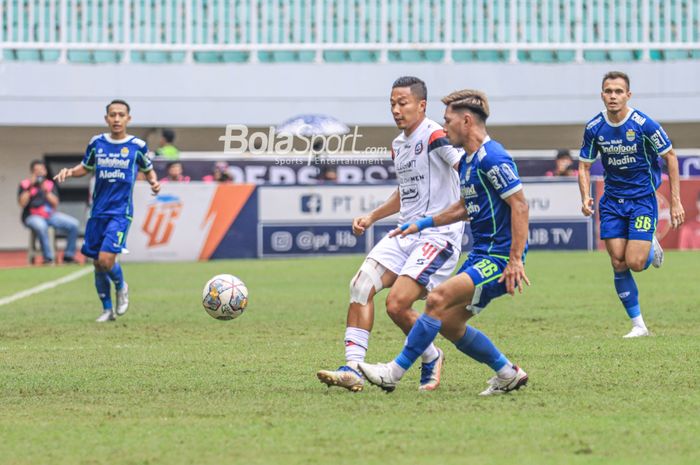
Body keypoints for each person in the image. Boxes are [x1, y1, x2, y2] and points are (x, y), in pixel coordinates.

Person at [358, 89, 530, 396]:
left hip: (500, 258)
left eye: (448, 121)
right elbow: (463, 207)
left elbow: (520, 205)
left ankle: (393, 373)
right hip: (481, 254)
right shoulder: (468, 162)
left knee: (436, 300)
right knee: (449, 323)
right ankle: (507, 373)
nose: (444, 127)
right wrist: (420, 224)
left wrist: (515, 259)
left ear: (466, 121)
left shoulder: (494, 158)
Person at [316, 76, 463, 392]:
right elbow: (405, 192)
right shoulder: (399, 145)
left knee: (396, 305)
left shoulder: (436, 135)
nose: (396, 110)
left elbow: (465, 165)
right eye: (392, 104)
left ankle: (432, 356)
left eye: (403, 103)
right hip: (406, 232)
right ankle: (353, 368)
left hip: (438, 235)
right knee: (360, 285)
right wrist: (372, 216)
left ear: (421, 105)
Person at [578, 71, 684, 338]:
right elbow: (584, 165)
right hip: (612, 201)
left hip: (641, 200)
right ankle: (639, 325)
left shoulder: (644, 124)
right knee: (617, 261)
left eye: (618, 91)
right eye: (608, 91)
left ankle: (649, 244)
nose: (613, 96)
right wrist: (585, 196)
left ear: (628, 95)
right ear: (602, 94)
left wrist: (675, 202)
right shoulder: (594, 128)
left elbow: (670, 157)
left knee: (635, 262)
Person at [54, 99, 161, 322]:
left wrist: (154, 182)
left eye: (121, 115)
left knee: (105, 260)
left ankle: (122, 285)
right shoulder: (97, 143)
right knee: (97, 263)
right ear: (106, 119)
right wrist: (69, 172)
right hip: (98, 212)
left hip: (120, 212)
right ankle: (107, 310)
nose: (116, 119)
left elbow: (148, 169)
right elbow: (86, 167)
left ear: (128, 119)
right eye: (112, 115)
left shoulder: (137, 146)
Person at [18, 160, 80, 264]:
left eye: (41, 170)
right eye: (36, 171)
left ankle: (68, 256)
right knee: (41, 226)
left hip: (50, 215)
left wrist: (45, 190)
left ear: (45, 171)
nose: (39, 173)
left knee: (74, 225)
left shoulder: (50, 185)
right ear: (32, 172)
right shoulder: (25, 184)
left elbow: (55, 203)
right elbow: (22, 203)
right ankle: (48, 258)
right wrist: (30, 187)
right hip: (32, 216)